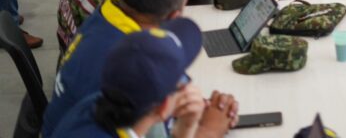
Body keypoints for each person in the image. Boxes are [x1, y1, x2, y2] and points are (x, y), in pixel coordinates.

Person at [44, 0, 239, 138]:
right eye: (178, 84)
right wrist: (208, 130)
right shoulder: (111, 59)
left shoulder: (96, 99)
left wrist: (185, 117)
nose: (184, 84)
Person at [51, 20, 230, 138]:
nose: (187, 86)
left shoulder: (91, 105)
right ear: (165, 107)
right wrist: (208, 131)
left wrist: (186, 127)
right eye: (182, 81)